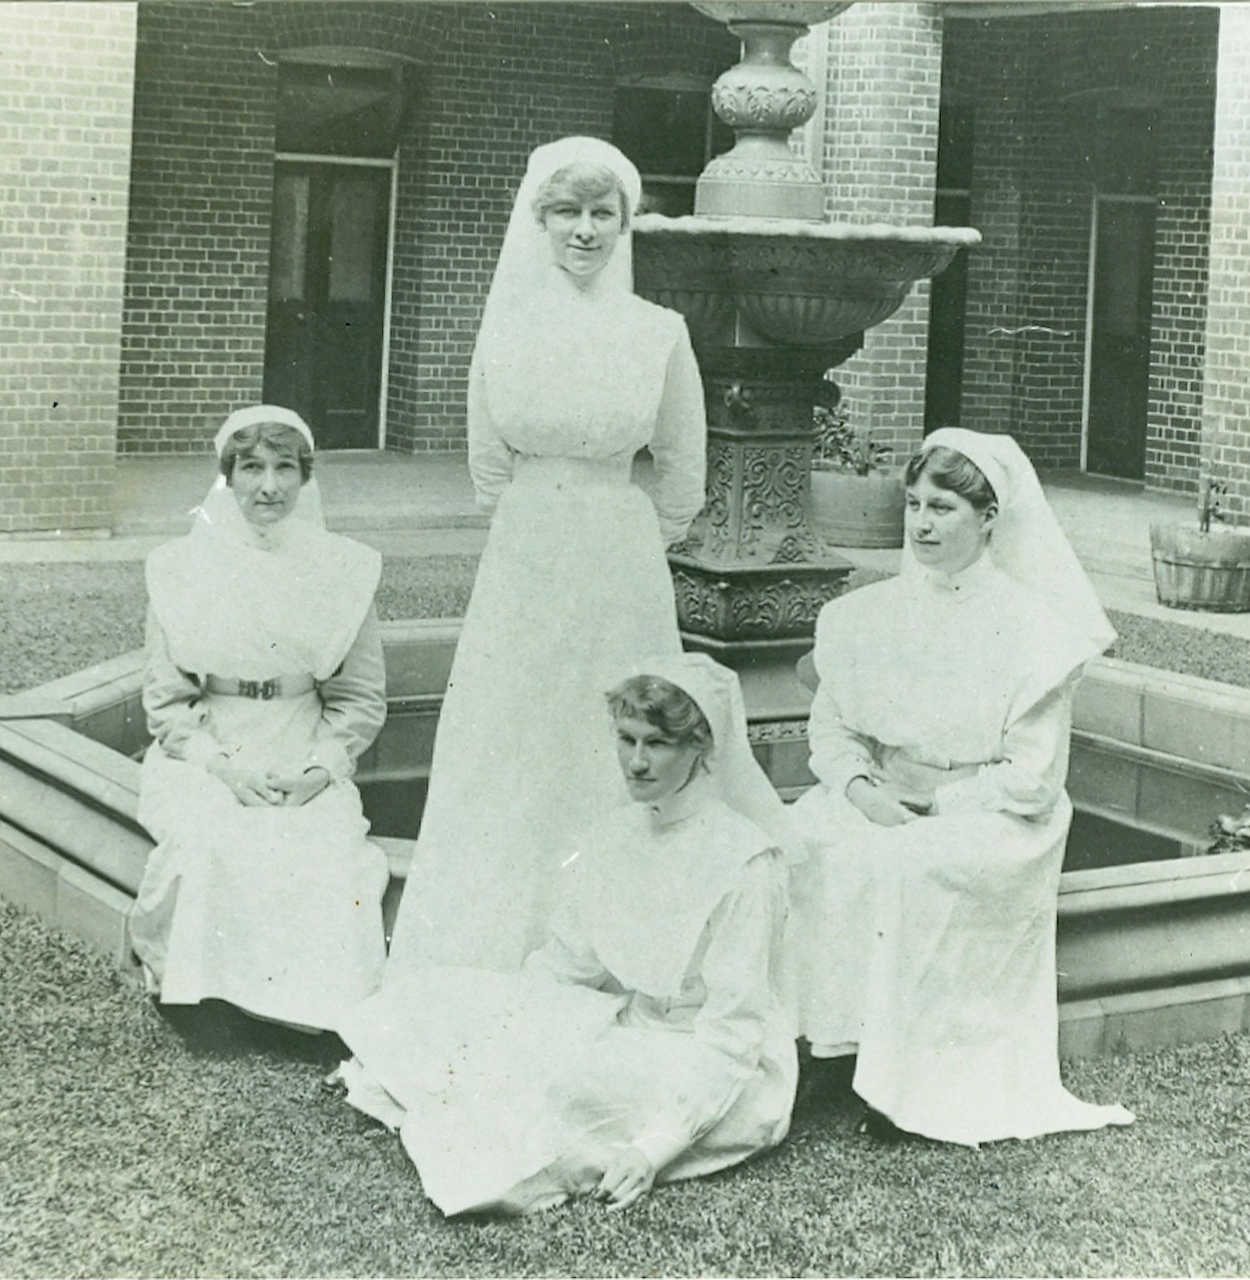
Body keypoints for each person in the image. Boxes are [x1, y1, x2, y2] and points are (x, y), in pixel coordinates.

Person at [387, 136, 707, 972]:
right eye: (567, 211)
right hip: (528, 550)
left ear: (626, 223)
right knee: (514, 737)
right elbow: (488, 466)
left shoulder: (659, 332)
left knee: (610, 734)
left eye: (604, 213)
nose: (586, 230)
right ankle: (500, 940)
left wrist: (625, 538)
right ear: (539, 220)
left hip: (619, 556)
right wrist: (542, 525)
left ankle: (616, 942)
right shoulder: (507, 330)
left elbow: (682, 474)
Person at [337, 654, 796, 1216]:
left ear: (701, 747)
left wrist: (655, 1150)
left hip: (711, 1068)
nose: (637, 761)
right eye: (626, 739)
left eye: (658, 744)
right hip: (631, 1025)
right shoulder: (612, 836)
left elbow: (733, 1034)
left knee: (551, 1083)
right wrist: (499, 1017)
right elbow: (567, 965)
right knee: (433, 994)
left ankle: (441, 1101)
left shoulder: (745, 860)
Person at [788, 427, 1134, 1146]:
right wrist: (860, 792)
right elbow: (833, 731)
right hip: (883, 794)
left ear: (988, 519)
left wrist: (934, 805)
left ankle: (908, 1079)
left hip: (995, 813)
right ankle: (825, 1044)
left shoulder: (1032, 628)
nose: (921, 523)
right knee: (806, 839)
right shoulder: (869, 617)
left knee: (913, 863)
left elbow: (1033, 778)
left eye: (943, 507)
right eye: (913, 504)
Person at [129, 404, 389, 1034]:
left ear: (305, 478)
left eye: (283, 468)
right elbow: (167, 698)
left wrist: (319, 768)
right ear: (229, 476)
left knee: (325, 847)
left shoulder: (343, 570)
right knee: (212, 837)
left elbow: (360, 698)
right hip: (210, 747)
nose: (267, 486)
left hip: (300, 739)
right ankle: (209, 1002)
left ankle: (312, 1017)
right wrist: (221, 766)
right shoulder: (179, 568)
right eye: (251, 468)